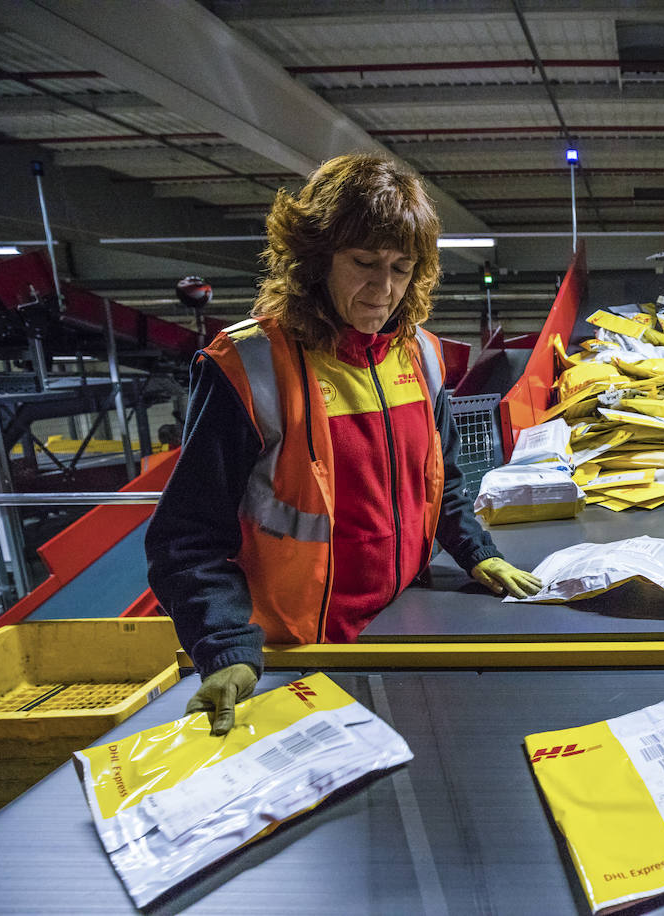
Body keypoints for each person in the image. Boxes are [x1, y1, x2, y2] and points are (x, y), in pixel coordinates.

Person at [146, 153, 541, 734]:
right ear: (314, 260)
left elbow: (442, 483)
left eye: (402, 268)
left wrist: (477, 551)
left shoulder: (423, 357)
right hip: (296, 659)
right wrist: (225, 646)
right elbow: (186, 538)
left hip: (403, 627)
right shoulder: (250, 364)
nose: (384, 289)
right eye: (364, 263)